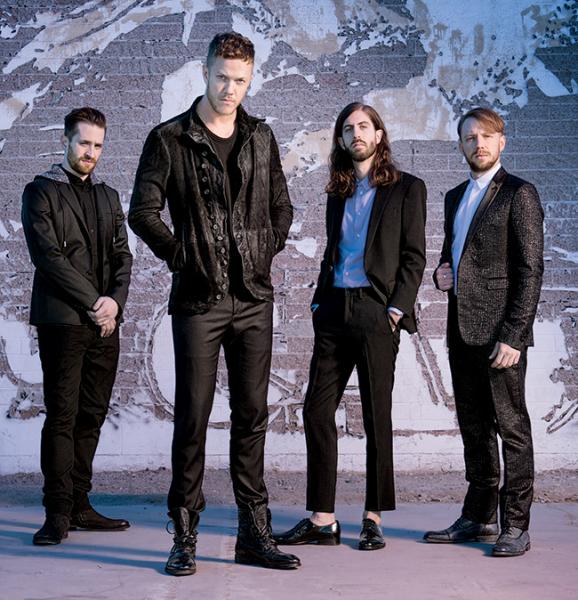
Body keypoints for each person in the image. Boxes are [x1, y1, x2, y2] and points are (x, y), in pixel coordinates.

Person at [129, 32, 300, 574]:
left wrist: (263, 248)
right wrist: (183, 256)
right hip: (198, 302)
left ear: (251, 80)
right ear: (204, 72)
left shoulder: (260, 136)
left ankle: (254, 534)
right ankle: (184, 537)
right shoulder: (169, 138)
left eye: (240, 80)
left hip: (253, 299)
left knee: (252, 417)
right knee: (193, 418)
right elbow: (142, 212)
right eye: (223, 77)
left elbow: (282, 206)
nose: (230, 89)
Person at [274, 102, 427, 551]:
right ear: (341, 140)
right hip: (335, 310)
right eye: (347, 128)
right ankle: (323, 520)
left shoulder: (408, 188)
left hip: (377, 312)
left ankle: (373, 517)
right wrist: (319, 301)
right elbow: (333, 251)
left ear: (378, 135)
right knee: (316, 411)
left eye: (364, 126)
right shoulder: (337, 192)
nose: (356, 133)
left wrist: (395, 311)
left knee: (376, 417)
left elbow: (414, 257)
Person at [423, 107, 544, 557]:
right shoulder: (455, 196)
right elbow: (452, 255)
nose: (479, 144)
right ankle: (479, 517)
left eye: (487, 136)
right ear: (461, 145)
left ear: (501, 142)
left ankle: (516, 525)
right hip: (461, 329)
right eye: (470, 137)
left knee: (511, 428)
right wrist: (441, 274)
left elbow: (531, 270)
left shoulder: (519, 194)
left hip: (501, 336)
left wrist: (515, 334)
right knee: (474, 427)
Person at [21, 107, 133, 545]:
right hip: (64, 321)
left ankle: (80, 505)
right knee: (62, 416)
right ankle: (57, 513)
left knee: (92, 415)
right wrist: (94, 303)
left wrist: (114, 303)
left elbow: (123, 256)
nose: (91, 152)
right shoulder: (40, 191)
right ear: (66, 140)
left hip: (105, 323)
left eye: (98, 145)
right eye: (84, 143)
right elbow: (48, 257)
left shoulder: (108, 195)